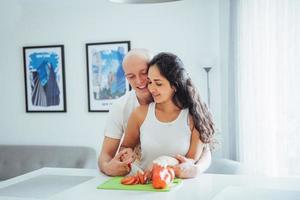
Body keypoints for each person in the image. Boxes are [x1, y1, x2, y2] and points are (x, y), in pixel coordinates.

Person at [98, 49, 212, 178]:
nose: (140, 81)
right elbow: (110, 153)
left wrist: (196, 168)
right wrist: (111, 166)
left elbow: (203, 151)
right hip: (143, 179)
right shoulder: (125, 109)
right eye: (131, 76)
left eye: (144, 74)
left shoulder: (192, 112)